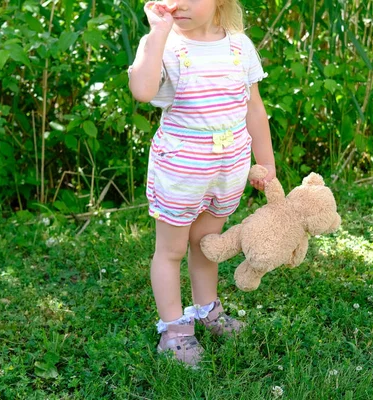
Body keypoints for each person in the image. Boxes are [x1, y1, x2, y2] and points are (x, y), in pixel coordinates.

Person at [128, 0, 275, 366]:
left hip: (229, 168)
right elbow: (142, 91)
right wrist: (158, 33)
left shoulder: (239, 45)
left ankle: (208, 310)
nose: (180, 3)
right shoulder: (163, 44)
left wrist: (266, 160)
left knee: (207, 244)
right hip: (181, 169)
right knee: (172, 249)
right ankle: (175, 329)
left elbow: (253, 108)